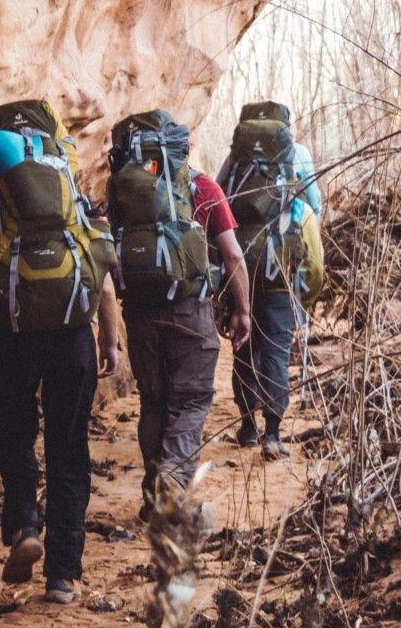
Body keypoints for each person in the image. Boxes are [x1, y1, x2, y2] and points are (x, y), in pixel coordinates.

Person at [0, 100, 119, 605]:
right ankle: (63, 576)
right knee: (69, 450)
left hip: (12, 336)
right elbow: (102, 277)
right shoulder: (77, 199)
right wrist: (109, 339)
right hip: (72, 336)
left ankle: (25, 524)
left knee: (16, 437)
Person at [105, 111, 252, 521]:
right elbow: (233, 255)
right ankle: (171, 482)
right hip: (191, 313)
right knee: (189, 402)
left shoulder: (121, 193)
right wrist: (241, 310)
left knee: (154, 401)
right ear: (182, 149)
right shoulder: (202, 187)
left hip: (139, 313)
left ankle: (154, 498)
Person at [217, 101, 323, 460]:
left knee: (244, 351)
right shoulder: (298, 153)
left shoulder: (236, 157)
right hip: (281, 269)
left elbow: (219, 200)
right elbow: (314, 206)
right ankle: (272, 435)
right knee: (277, 352)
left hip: (240, 268)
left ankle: (247, 427)